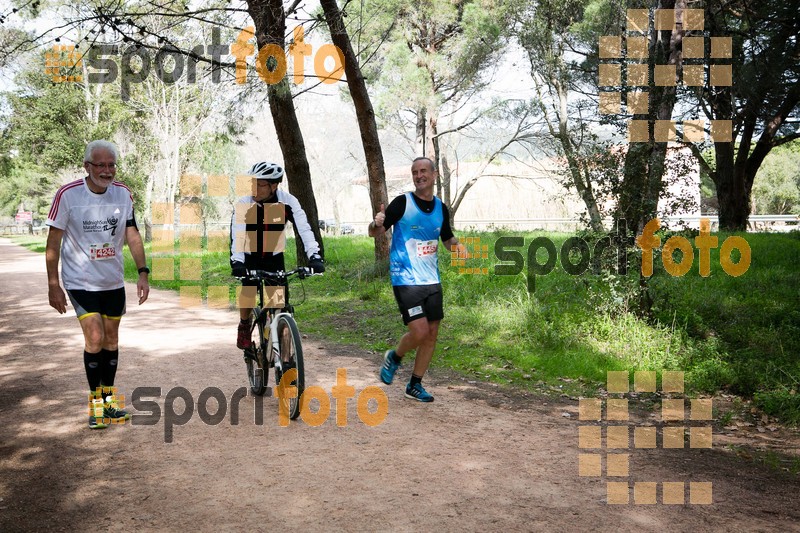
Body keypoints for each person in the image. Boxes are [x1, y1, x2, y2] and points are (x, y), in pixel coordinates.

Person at [46, 140, 150, 429]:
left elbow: (132, 235)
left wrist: (143, 272)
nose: (107, 171)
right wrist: (54, 284)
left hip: (112, 280)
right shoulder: (68, 195)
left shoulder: (123, 194)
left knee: (111, 341)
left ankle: (108, 405)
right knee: (94, 338)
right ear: (87, 166)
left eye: (111, 165)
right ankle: (96, 408)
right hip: (80, 280)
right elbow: (53, 242)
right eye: (101, 165)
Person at [368, 157, 465, 402]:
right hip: (406, 278)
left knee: (432, 334)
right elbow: (376, 231)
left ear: (434, 175)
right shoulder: (403, 203)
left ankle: (415, 384)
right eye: (414, 172)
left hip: (431, 280)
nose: (419, 175)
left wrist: (459, 247)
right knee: (420, 331)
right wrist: (376, 223)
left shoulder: (441, 208)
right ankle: (395, 356)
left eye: (423, 171)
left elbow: (446, 238)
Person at [230, 162, 324, 350]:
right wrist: (237, 262)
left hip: (274, 258)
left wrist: (314, 256)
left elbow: (304, 229)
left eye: (260, 184)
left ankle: (287, 361)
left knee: (280, 308)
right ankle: (244, 324)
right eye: (252, 182)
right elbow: (237, 236)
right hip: (248, 256)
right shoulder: (244, 204)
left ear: (274, 186)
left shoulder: (288, 201)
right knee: (248, 290)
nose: (254, 188)